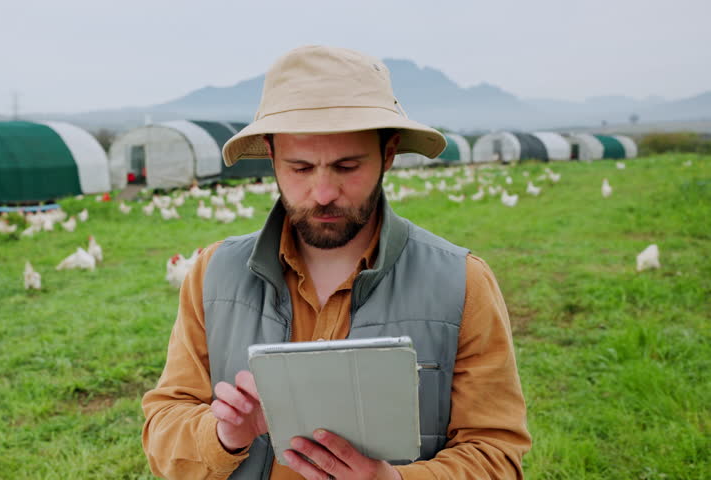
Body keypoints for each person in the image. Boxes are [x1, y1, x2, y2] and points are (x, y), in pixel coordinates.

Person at [142, 45, 531, 479]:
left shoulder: (462, 283)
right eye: (301, 168)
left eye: (347, 167)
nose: (324, 192)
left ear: (388, 154)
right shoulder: (213, 275)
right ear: (271, 157)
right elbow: (163, 428)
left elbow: (496, 454)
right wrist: (223, 435)